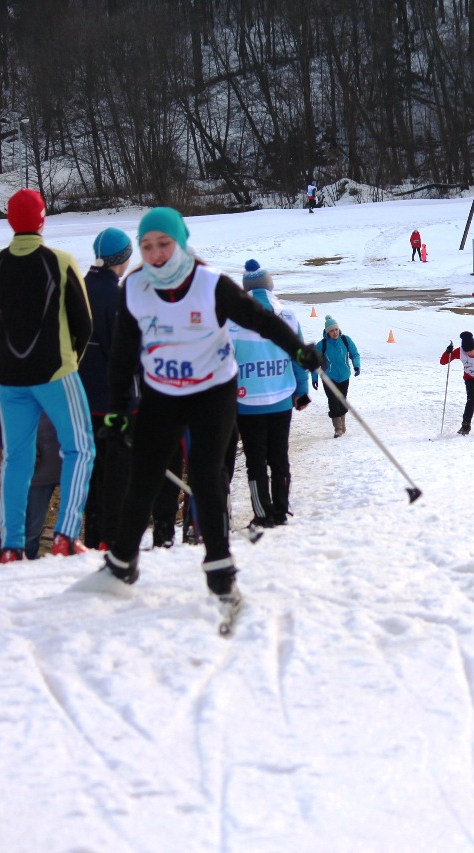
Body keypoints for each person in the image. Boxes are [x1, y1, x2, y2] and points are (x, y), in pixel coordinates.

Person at [94, 207, 324, 623]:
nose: (157, 254)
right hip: (161, 392)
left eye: (164, 244)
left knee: (205, 473)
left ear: (180, 243)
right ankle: (120, 564)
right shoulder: (134, 288)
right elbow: (124, 355)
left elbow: (260, 320)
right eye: (147, 247)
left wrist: (298, 350)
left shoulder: (210, 284)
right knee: (143, 475)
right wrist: (116, 410)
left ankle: (220, 571)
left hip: (212, 391)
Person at [0, 188, 94, 561]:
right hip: (55, 371)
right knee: (80, 448)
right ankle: (65, 534)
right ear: (43, 219)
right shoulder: (59, 261)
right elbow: (84, 322)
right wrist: (70, 360)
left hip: (9, 377)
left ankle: (11, 546)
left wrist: (11, 360)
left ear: (10, 221)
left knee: (16, 459)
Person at [224, 259, 310, 530]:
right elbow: (297, 356)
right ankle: (281, 510)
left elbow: (225, 362)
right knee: (279, 456)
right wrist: (302, 390)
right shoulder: (288, 316)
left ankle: (263, 514)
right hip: (281, 396)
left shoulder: (232, 320)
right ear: (269, 286)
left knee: (255, 461)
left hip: (247, 401)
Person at [78, 227, 135, 550]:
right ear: (122, 259)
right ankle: (108, 537)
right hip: (110, 401)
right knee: (115, 472)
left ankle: (94, 532)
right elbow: (123, 351)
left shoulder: (81, 288)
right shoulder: (115, 296)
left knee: (92, 471)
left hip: (80, 399)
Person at [312, 314, 361, 438]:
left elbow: (355, 354)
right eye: (331, 331)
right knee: (333, 401)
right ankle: (338, 429)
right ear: (327, 332)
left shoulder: (346, 340)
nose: (334, 333)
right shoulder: (322, 345)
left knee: (342, 400)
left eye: (336, 329)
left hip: (344, 376)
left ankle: (342, 425)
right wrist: (314, 378)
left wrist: (356, 366)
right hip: (329, 377)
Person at [24, 414, 62, 559]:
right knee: (31, 529)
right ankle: (25, 565)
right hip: (37, 469)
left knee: (70, 531)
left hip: (72, 465)